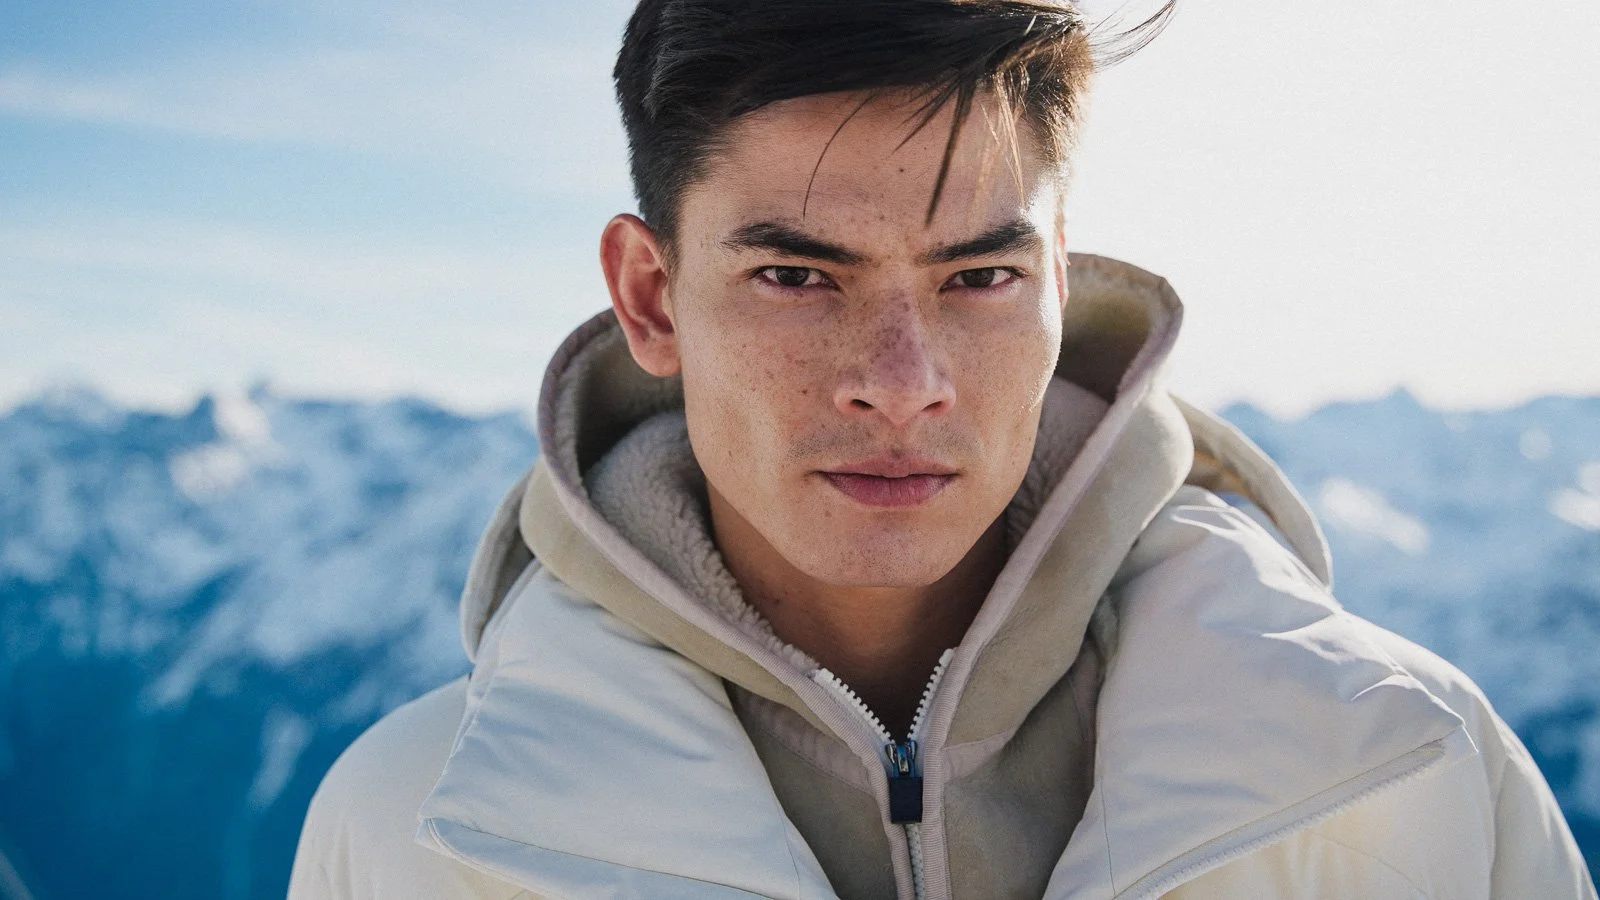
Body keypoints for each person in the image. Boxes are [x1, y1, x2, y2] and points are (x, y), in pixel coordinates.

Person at [289, 1, 1597, 897]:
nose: (902, 385)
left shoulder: (1408, 764)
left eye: (977, 277)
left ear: (1058, 281)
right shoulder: (409, 833)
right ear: (650, 297)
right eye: (799, 275)